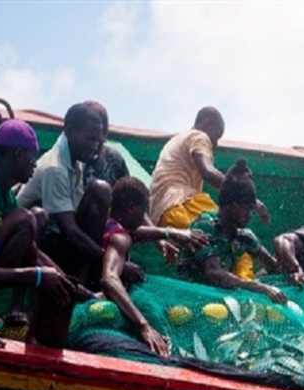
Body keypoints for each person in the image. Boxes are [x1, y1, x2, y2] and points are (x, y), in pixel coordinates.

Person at [16, 102, 130, 289]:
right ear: (69, 131)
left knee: (100, 191)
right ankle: (78, 288)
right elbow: (69, 230)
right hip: (35, 245)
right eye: (90, 139)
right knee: (99, 192)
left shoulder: (77, 159)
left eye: (98, 141)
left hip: (59, 236)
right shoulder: (55, 168)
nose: (95, 147)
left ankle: (83, 282)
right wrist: (114, 262)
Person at [0, 119, 77, 344]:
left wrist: (70, 284)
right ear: (17, 154)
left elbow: (33, 252)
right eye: (31, 156)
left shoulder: (6, 196)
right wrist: (33, 277)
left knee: (31, 219)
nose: (35, 164)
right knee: (26, 219)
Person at [100, 177, 207, 356]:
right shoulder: (120, 238)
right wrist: (144, 326)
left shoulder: (107, 222)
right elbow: (109, 279)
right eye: (144, 210)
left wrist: (169, 233)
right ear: (131, 208)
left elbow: (134, 233)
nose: (144, 216)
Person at [177, 159, 286, 304]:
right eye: (245, 209)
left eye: (251, 210)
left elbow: (274, 268)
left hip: (218, 307)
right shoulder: (205, 225)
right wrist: (261, 288)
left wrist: (292, 272)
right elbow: (213, 273)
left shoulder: (244, 237)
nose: (249, 215)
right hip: (187, 304)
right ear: (229, 206)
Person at [148, 106, 268, 229]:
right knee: (231, 237)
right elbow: (208, 172)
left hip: (162, 214)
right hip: (180, 203)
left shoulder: (177, 140)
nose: (215, 144)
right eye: (216, 135)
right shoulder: (199, 136)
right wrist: (247, 197)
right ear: (206, 123)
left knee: (208, 244)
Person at [82, 100, 129, 187]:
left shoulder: (114, 159)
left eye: (99, 132)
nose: (93, 144)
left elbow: (126, 192)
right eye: (90, 136)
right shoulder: (72, 158)